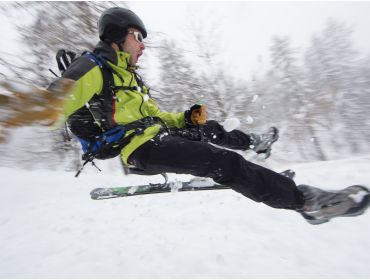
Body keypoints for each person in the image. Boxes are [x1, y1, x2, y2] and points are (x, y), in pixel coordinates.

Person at [58, 7, 369, 225]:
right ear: (116, 37)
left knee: (207, 125)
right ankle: (306, 203)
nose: (143, 46)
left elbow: (155, 116)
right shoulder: (96, 69)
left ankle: (256, 142)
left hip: (158, 135)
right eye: (138, 37)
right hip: (140, 149)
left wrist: (187, 118)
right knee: (223, 162)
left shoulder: (130, 79)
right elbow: (52, 101)